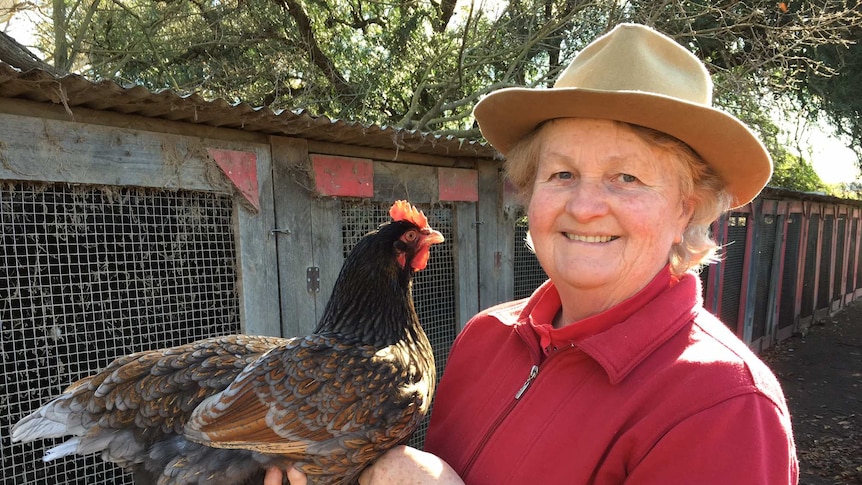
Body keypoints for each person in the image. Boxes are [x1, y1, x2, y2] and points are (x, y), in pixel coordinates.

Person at [271, 22, 799, 484]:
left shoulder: (723, 407)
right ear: (531, 192)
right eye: (562, 173)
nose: (586, 206)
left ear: (687, 208)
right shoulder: (485, 339)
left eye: (628, 177)